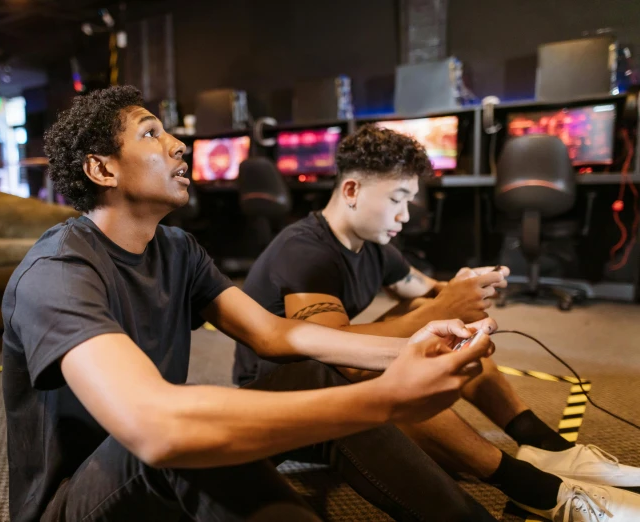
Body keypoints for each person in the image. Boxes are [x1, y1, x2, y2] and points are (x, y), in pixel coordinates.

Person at [2, 85, 499, 522]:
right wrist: (386, 397)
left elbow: (275, 333)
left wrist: (413, 348)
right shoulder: (58, 273)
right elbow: (154, 428)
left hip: (158, 477)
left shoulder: (177, 249)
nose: (179, 145)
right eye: (151, 134)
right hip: (79, 502)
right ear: (100, 168)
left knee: (309, 374)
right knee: (189, 432)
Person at [233, 124, 640, 521]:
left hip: (327, 370)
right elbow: (335, 350)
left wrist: (466, 289)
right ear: (352, 190)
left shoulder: (375, 246)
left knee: (436, 321)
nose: (406, 215)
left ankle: (541, 443)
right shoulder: (305, 252)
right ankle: (531, 486)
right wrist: (445, 307)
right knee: (391, 360)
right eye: (398, 198)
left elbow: (428, 292)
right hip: (280, 400)